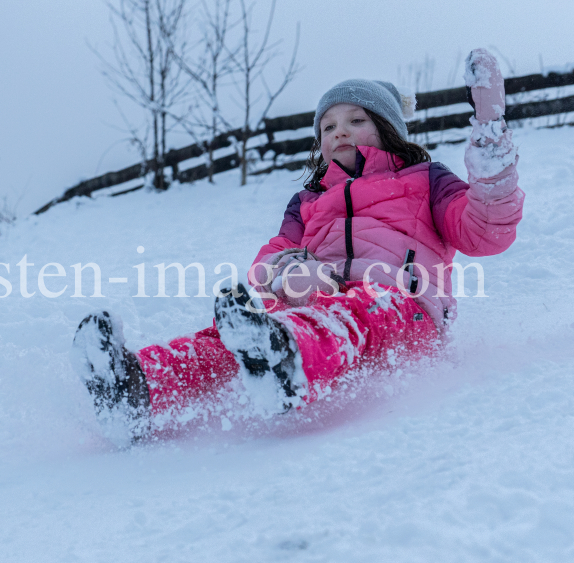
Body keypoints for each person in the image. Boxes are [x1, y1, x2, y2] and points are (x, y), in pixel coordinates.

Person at [71, 49, 524, 443]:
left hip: (404, 310)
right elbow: (270, 259)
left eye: (356, 120)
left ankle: (287, 361)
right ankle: (135, 390)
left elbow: (486, 231)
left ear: (388, 128)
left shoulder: (424, 180)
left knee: (360, 307)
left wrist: (491, 156)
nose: (339, 132)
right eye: (328, 127)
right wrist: (288, 272)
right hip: (314, 304)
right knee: (234, 334)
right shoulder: (308, 201)